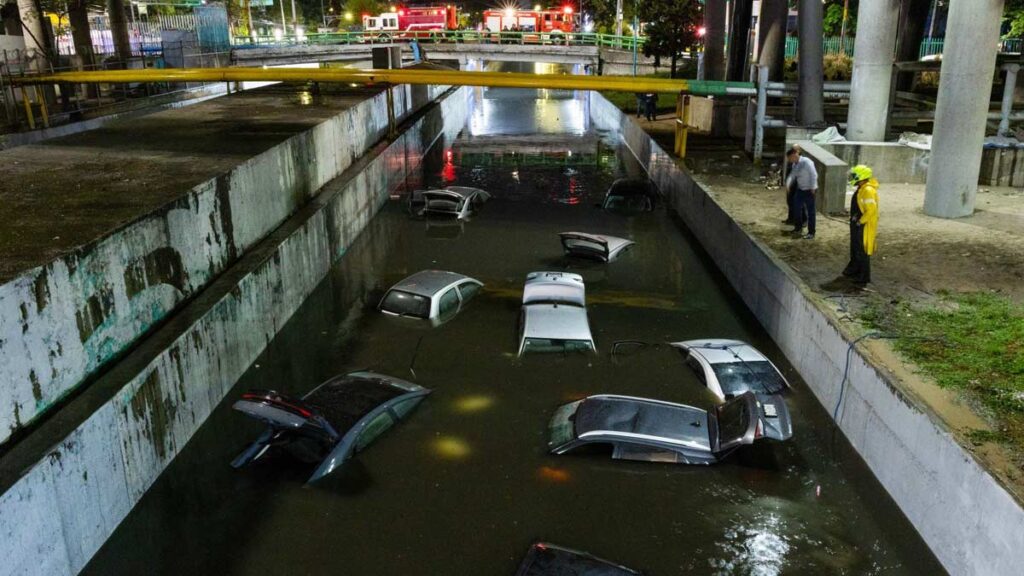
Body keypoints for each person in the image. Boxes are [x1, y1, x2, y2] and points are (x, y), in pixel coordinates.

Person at [843, 164, 879, 286]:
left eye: (854, 175)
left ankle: (863, 277)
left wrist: (860, 221)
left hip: (864, 225)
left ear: (861, 177)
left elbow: (871, 210)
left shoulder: (867, 190)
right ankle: (854, 270)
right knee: (856, 248)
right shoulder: (862, 188)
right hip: (858, 223)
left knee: (862, 250)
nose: (852, 177)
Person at [784, 146, 818, 239]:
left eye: (790, 158)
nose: (790, 160)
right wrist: (788, 184)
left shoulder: (807, 162)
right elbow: (792, 175)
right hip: (800, 189)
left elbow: (813, 174)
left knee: (811, 211)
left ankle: (811, 232)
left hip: (809, 190)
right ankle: (798, 228)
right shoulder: (795, 165)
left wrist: (813, 187)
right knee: (796, 208)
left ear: (794, 155)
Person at [782, 144, 804, 228]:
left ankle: (801, 220)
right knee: (790, 202)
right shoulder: (791, 160)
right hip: (791, 185)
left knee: (798, 204)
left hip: (797, 185)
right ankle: (790, 219)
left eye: (795, 150)